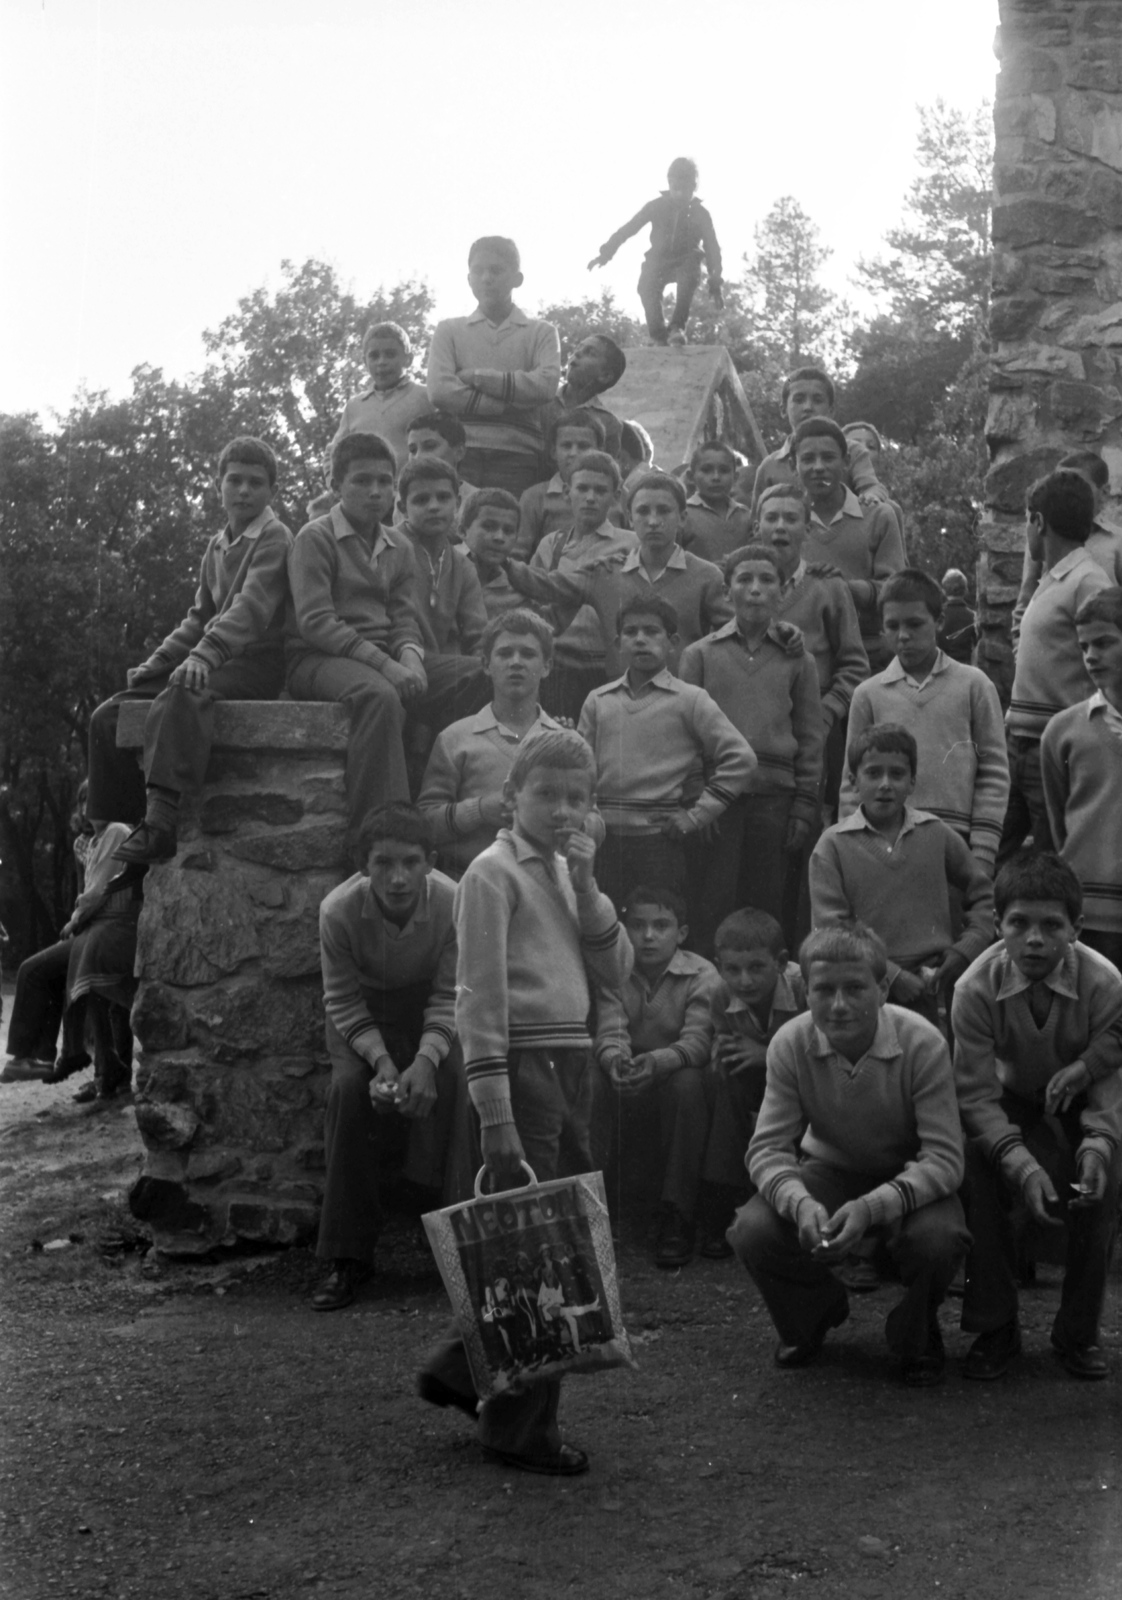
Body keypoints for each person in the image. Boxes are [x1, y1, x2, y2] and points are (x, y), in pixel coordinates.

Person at [418, 729, 632, 1477]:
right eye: (546, 795)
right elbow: (476, 995)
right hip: (522, 1066)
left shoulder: (572, 871)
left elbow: (616, 968)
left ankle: (460, 1367)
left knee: (557, 1235)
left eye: (578, 798)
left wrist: (591, 886)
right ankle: (519, 1430)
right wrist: (495, 1111)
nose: (563, 810)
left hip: (572, 1064)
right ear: (512, 798)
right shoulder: (490, 873)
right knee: (541, 1253)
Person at [730, 923, 968, 1386]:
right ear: (805, 992)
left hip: (907, 1173)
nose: (838, 1005)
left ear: (882, 990)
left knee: (939, 1239)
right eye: (824, 990)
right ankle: (813, 1311)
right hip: (830, 1169)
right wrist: (801, 1204)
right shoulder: (791, 1042)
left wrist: (872, 1207)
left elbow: (944, 1158)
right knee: (752, 1228)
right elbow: (767, 1149)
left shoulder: (922, 1042)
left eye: (855, 988)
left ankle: (916, 1329)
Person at [952, 851, 1122, 1381]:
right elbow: (975, 1095)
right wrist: (1019, 1162)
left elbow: (1110, 1087)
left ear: (1077, 928)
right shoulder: (974, 987)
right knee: (979, 1168)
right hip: (1009, 1095)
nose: (1034, 940)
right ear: (997, 924)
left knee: (1103, 1183)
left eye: (1052, 926)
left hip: (1080, 1095)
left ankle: (1078, 1333)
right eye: (1018, 923)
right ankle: (995, 1327)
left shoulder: (1104, 983)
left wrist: (1097, 1145)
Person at [87, 437, 292, 863]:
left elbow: (252, 608)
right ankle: (110, 837)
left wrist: (203, 656)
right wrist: (159, 661)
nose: (244, 491)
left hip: (255, 661)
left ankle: (161, 821)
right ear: (219, 486)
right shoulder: (217, 545)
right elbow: (199, 617)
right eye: (234, 480)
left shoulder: (275, 537)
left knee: (182, 691)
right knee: (109, 715)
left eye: (256, 483)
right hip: (211, 654)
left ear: (272, 490)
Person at [285, 432, 486, 843]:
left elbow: (402, 616)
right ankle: (379, 834)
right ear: (335, 485)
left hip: (383, 656)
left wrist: (410, 657)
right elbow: (316, 621)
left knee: (478, 674)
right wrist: (387, 667)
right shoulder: (315, 537)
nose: (375, 492)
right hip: (318, 658)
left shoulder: (397, 545)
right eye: (362, 481)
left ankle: (435, 788)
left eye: (383, 481)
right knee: (379, 697)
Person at [312, 804, 466, 1312]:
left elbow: (451, 994)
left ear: (430, 862)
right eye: (383, 863)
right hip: (364, 1009)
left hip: (427, 1006)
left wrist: (426, 1061)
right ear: (363, 865)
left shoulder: (454, 902)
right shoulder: (337, 911)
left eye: (411, 862)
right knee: (348, 1092)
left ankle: (459, 1246)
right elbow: (341, 999)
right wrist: (381, 1062)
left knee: (460, 1078)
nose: (397, 878)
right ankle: (347, 1256)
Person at [679, 543, 824, 950]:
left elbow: (811, 737)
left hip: (775, 801)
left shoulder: (799, 660)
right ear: (727, 592)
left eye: (766, 580)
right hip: (718, 802)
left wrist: (804, 805)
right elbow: (685, 733)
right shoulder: (700, 655)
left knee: (768, 904)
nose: (755, 589)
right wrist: (699, 799)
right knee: (714, 901)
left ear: (782, 590)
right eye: (744, 579)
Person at [577, 594, 755, 911]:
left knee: (655, 921)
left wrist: (696, 815)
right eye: (631, 632)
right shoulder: (598, 700)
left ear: (672, 642)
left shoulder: (689, 700)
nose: (640, 640)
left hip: (658, 843)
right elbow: (581, 770)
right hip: (604, 840)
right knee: (602, 919)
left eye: (651, 631)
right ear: (618, 643)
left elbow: (741, 758)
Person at [811, 724, 993, 1022]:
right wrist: (892, 975)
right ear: (854, 781)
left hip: (933, 982)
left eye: (896, 774)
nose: (885, 784)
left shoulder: (935, 833)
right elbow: (831, 929)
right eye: (873, 774)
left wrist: (965, 949)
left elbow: (984, 894)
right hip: (864, 982)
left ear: (912, 782)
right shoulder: (832, 845)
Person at [838, 568, 1009, 874]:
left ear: (939, 621)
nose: (903, 635)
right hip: (884, 844)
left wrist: (983, 851)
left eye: (914, 624)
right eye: (892, 626)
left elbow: (993, 772)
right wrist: (852, 849)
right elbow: (852, 781)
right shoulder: (868, 694)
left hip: (956, 846)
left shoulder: (974, 685)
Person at [502, 470, 731, 682]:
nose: (653, 521)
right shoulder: (607, 571)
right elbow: (547, 585)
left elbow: (733, 636)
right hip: (620, 699)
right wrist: (504, 563)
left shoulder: (706, 575)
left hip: (684, 700)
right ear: (630, 518)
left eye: (663, 511)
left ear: (682, 517)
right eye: (643, 511)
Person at [594, 885, 721, 1267]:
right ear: (624, 928)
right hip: (630, 1073)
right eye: (637, 925)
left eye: (661, 926)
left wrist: (658, 1062)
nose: (648, 936)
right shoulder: (614, 970)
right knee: (590, 1078)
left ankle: (677, 1212)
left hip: (672, 1074)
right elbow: (610, 1030)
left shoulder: (701, 973)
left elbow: (698, 1040)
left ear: (681, 933)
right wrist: (616, 1061)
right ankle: (591, 1206)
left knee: (689, 1084)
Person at [1001, 468, 1111, 863]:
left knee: (1053, 864)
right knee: (993, 855)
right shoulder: (1051, 579)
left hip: (1053, 750)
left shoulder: (1088, 581)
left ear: (1039, 522)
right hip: (1018, 744)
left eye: (1026, 523)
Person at [418, 610, 572, 876]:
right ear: (486, 665)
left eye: (528, 654)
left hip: (543, 881)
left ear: (546, 667)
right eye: (505, 653)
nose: (516, 662)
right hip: (469, 878)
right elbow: (425, 823)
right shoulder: (455, 738)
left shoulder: (564, 742)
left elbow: (593, 821)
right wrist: (479, 810)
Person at [698, 908, 807, 1259]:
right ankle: (726, 1195)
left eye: (757, 967)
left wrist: (766, 1054)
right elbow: (725, 1039)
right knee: (724, 1077)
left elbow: (820, 1049)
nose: (744, 981)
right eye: (732, 969)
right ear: (719, 967)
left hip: (802, 1079)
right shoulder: (720, 994)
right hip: (752, 1081)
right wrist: (723, 1052)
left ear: (781, 962)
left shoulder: (802, 987)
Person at [754, 482, 868, 815]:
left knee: (808, 817)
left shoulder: (827, 587)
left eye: (791, 519)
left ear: (807, 529)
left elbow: (855, 665)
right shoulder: (737, 586)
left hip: (812, 726)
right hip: (752, 725)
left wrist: (827, 712)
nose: (780, 527)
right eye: (771, 518)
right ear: (757, 527)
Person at [426, 237, 560, 497]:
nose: (486, 278)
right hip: (460, 452)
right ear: (468, 279)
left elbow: (545, 386)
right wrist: (505, 404)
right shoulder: (449, 330)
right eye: (478, 271)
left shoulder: (541, 332)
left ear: (517, 279)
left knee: (507, 520)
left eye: (496, 270)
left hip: (519, 456)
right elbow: (440, 391)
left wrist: (476, 377)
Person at [516, 451, 637, 721]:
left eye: (600, 490)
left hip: (608, 662)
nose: (590, 498)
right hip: (561, 662)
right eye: (582, 489)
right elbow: (535, 601)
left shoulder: (631, 545)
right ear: (567, 493)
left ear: (616, 496)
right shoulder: (552, 544)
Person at [1041, 588, 1122, 970]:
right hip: (1089, 918)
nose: (1090, 656)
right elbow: (1060, 824)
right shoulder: (1063, 732)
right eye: (1084, 646)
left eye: (1103, 643)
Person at [792, 417, 905, 672]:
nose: (818, 467)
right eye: (808, 459)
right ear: (793, 465)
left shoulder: (878, 516)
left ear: (846, 462)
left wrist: (846, 588)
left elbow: (897, 590)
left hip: (869, 654)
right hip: (801, 653)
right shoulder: (785, 519)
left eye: (828, 458)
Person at [2, 782, 94, 1083]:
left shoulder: (114, 836)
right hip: (85, 926)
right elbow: (82, 892)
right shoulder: (81, 843)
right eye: (82, 801)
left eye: (91, 800)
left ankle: (23, 1056)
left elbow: (100, 894)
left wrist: (78, 923)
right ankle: (42, 1058)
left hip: (99, 928)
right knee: (49, 969)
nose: (85, 807)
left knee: (29, 971)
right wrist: (74, 924)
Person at [587, 157, 723, 347]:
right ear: (669, 184)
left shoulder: (701, 214)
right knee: (645, 286)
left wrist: (715, 281)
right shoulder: (656, 206)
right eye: (676, 188)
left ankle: (677, 327)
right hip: (658, 260)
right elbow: (629, 228)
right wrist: (606, 253)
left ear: (694, 188)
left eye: (685, 190)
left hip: (686, 260)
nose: (680, 194)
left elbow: (712, 248)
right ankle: (658, 334)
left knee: (690, 272)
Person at [750, 368, 889, 514]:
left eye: (817, 400)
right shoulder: (769, 466)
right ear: (783, 409)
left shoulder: (853, 451)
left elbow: (871, 488)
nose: (808, 407)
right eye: (799, 400)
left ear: (831, 410)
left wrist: (871, 497)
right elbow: (757, 519)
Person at [1013, 450, 1122, 631]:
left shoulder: (1117, 542)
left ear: (1104, 492)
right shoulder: (1044, 538)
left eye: (1078, 487)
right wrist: (1021, 644)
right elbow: (1025, 600)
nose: (1066, 495)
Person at [396, 456, 488, 658]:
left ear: (458, 502)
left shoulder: (463, 565)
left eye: (443, 497)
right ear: (403, 508)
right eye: (421, 500)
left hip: (447, 666)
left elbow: (478, 635)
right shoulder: (390, 549)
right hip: (400, 660)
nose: (433, 507)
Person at [329, 321, 430, 469]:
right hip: (369, 482)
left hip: (415, 481)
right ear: (365, 362)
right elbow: (334, 453)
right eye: (374, 356)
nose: (382, 362)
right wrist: (334, 480)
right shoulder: (355, 407)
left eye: (390, 354)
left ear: (408, 359)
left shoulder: (426, 397)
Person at [516, 408, 613, 560]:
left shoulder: (619, 495)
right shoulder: (535, 497)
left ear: (600, 451)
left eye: (583, 446)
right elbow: (518, 553)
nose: (574, 453)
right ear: (553, 452)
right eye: (567, 446)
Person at [539, 334, 627, 466]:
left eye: (590, 353)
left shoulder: (609, 424)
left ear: (605, 376)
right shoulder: (540, 400)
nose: (577, 354)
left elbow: (603, 472)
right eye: (577, 348)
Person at [680, 441, 752, 566]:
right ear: (691, 477)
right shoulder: (683, 516)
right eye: (706, 470)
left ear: (735, 477)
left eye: (724, 471)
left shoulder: (745, 515)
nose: (716, 477)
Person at [460, 489, 527, 622]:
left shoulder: (516, 590)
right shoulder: (443, 570)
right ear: (463, 531)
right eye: (489, 527)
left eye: (508, 531)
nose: (499, 537)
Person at [937, 568, 977, 664]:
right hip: (964, 667)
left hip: (940, 666)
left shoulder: (936, 615)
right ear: (966, 590)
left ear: (944, 591)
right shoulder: (973, 616)